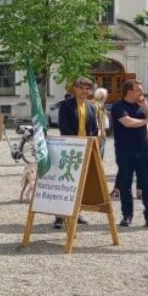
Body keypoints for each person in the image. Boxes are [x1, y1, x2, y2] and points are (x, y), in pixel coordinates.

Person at [110, 79, 148, 229]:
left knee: (147, 184)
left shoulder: (142, 106)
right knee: (125, 184)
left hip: (144, 151)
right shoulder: (118, 106)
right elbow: (128, 122)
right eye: (138, 90)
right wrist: (147, 121)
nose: (142, 92)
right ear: (129, 91)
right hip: (124, 151)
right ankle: (127, 215)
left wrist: (146, 106)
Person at [55, 78, 96, 229]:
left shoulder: (91, 106)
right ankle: (59, 216)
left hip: (86, 148)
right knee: (65, 183)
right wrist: (75, 142)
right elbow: (63, 126)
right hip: (69, 148)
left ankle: (77, 213)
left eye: (87, 88)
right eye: (82, 88)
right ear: (75, 89)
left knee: (81, 184)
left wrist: (91, 142)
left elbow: (94, 128)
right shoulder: (66, 105)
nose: (85, 91)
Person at [92, 87, 109, 159]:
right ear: (102, 96)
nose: (107, 96)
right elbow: (95, 120)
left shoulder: (101, 104)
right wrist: (99, 132)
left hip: (103, 131)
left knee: (101, 152)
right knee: (99, 154)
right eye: (106, 94)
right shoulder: (96, 105)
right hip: (99, 134)